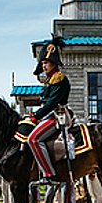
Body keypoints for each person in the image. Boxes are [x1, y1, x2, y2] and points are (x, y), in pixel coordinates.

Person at [27, 40, 71, 185]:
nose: (44, 66)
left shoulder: (59, 78)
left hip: (57, 116)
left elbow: (52, 103)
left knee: (33, 139)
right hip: (49, 115)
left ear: (54, 62)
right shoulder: (49, 80)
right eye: (42, 63)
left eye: (46, 62)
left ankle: (49, 173)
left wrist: (36, 115)